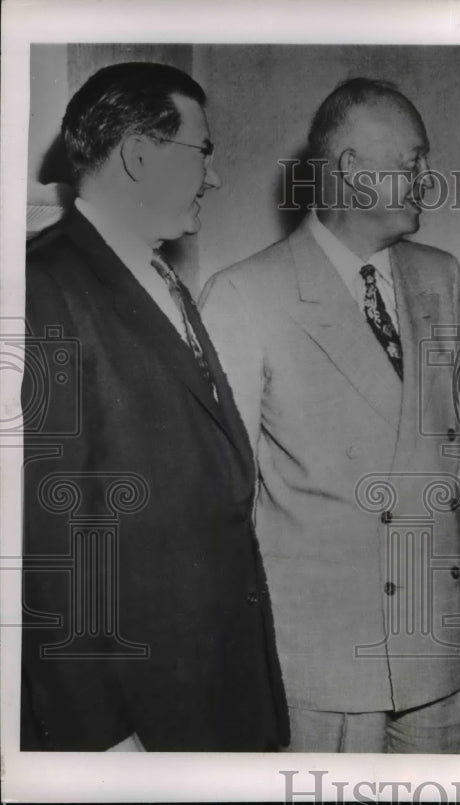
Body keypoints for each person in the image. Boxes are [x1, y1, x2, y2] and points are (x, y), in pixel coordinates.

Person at [21, 61, 288, 751]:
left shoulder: (156, 277)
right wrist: (102, 735)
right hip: (140, 719)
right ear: (140, 153)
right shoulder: (41, 287)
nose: (216, 176)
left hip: (213, 693)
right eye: (203, 151)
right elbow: (44, 544)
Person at [200, 78, 460, 753]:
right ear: (349, 169)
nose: (426, 180)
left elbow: (441, 447)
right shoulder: (243, 294)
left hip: (430, 634)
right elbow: (220, 501)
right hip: (320, 654)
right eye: (411, 162)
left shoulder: (441, 275)